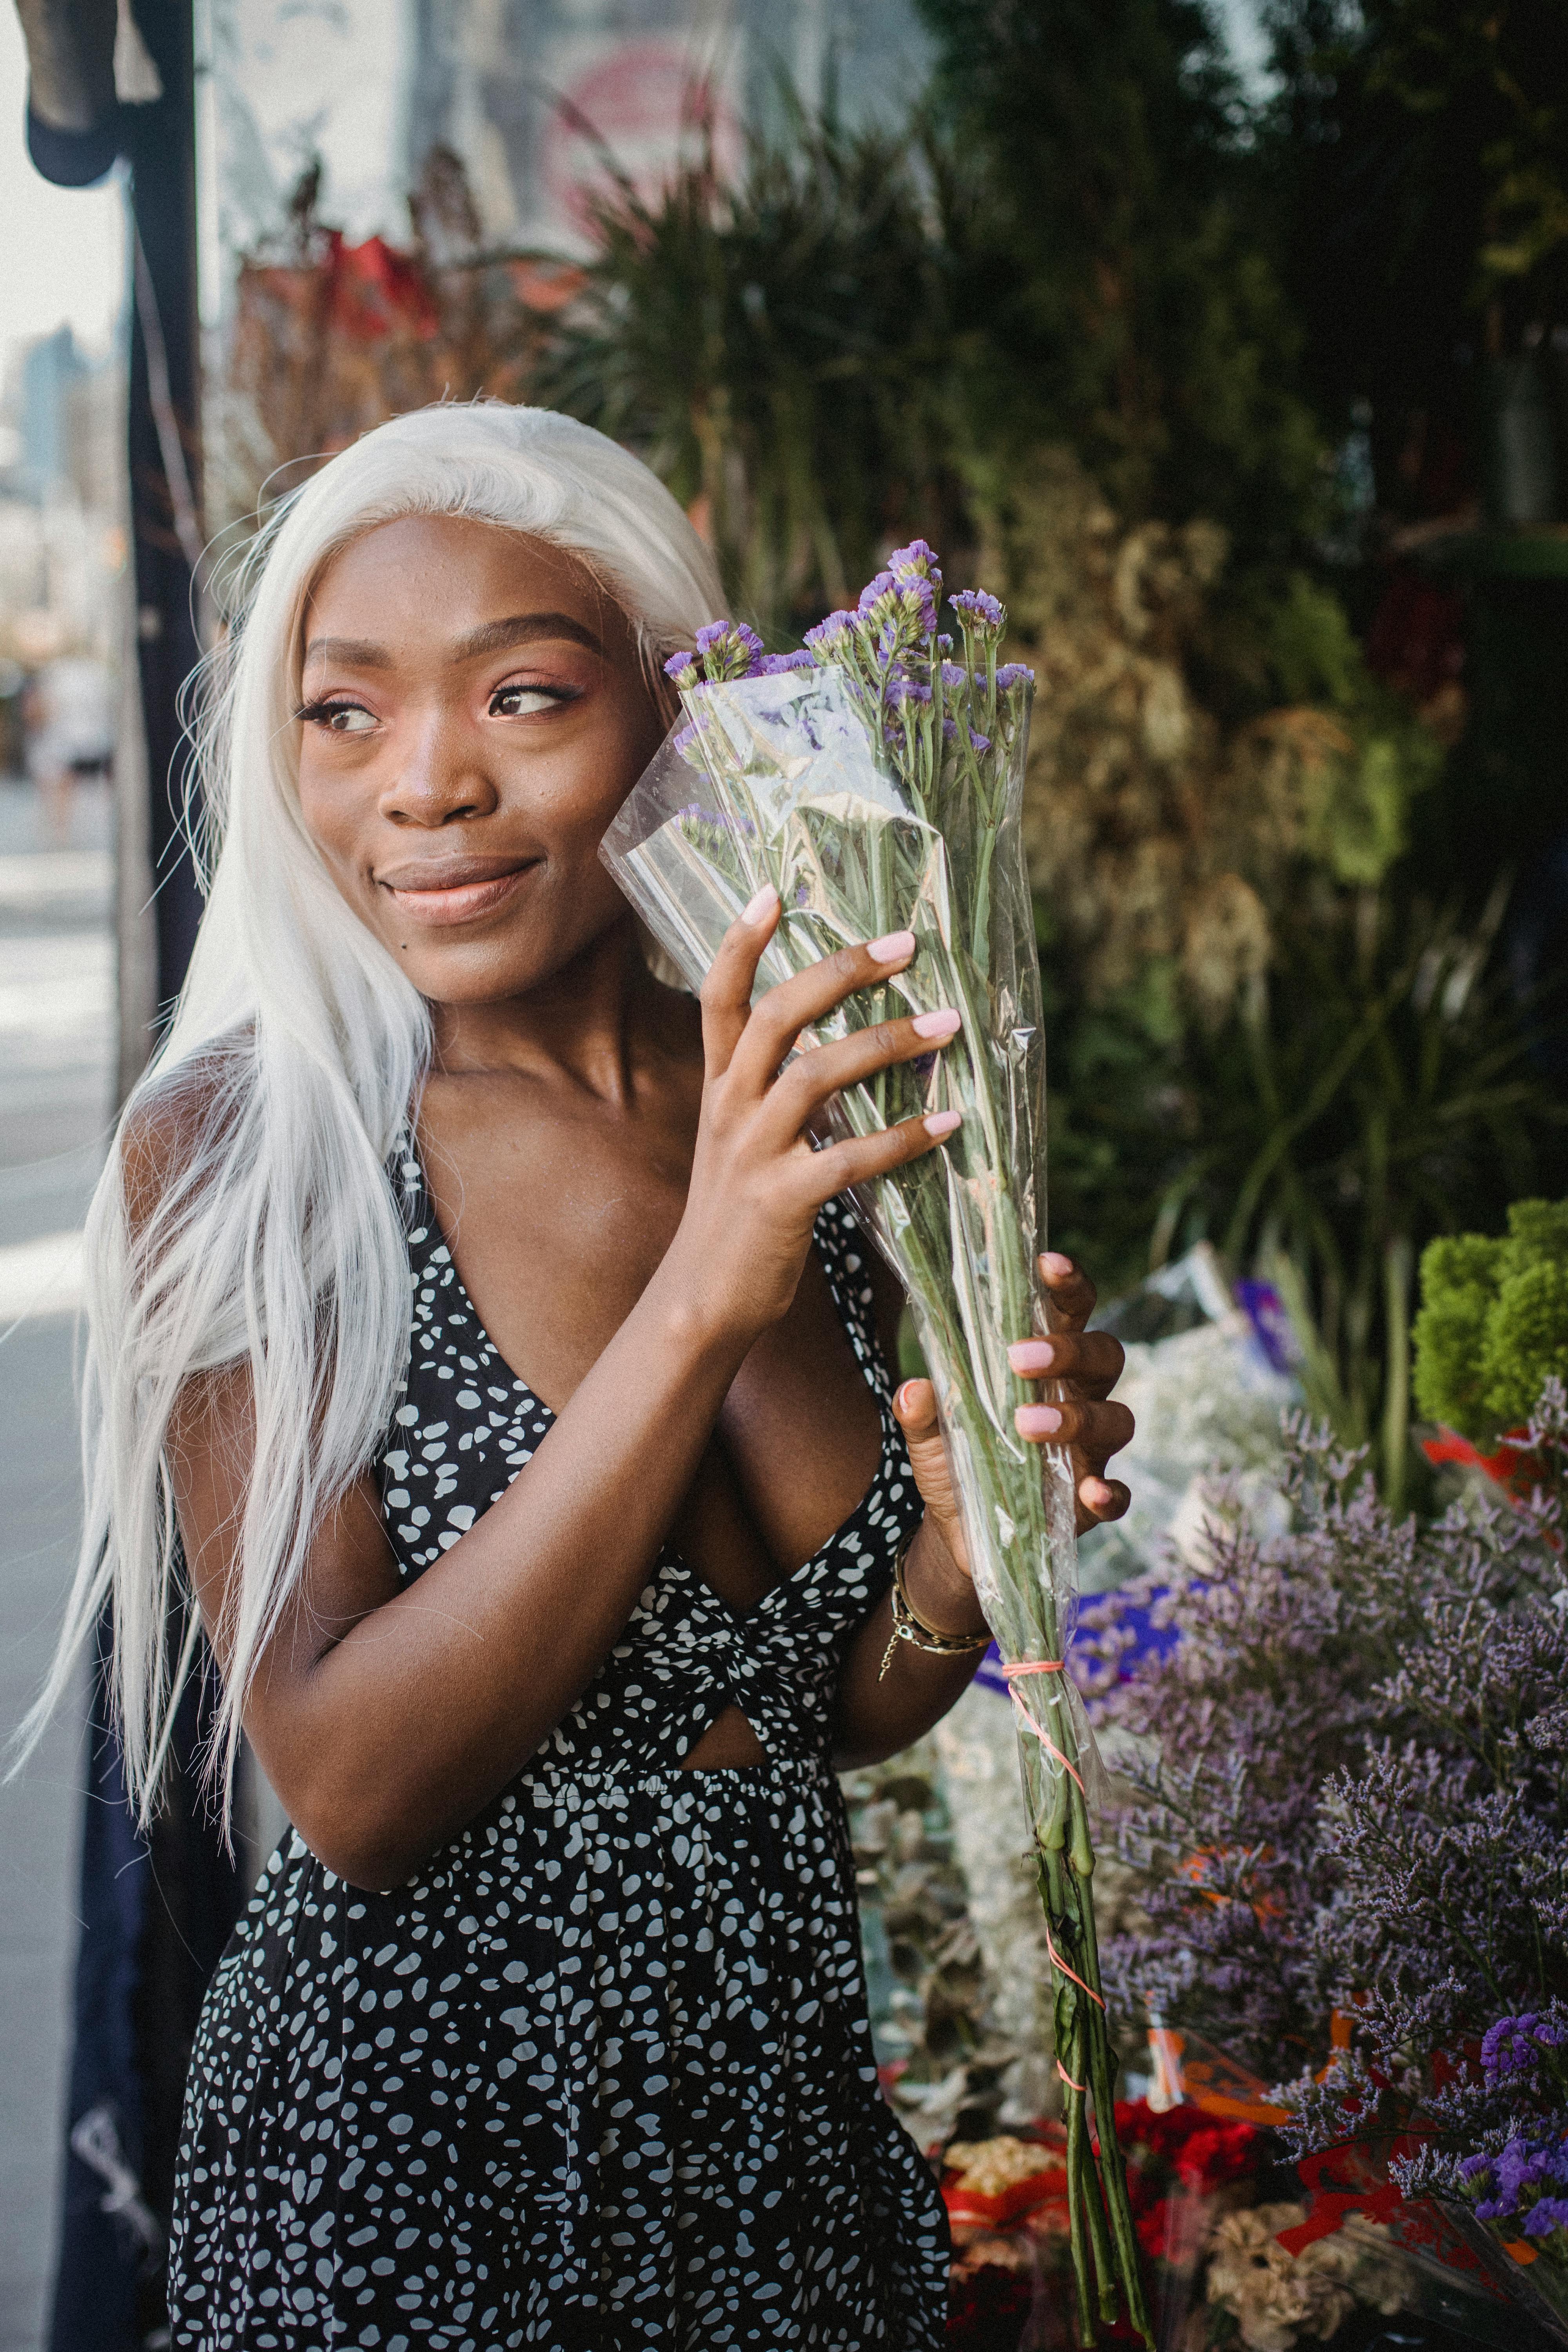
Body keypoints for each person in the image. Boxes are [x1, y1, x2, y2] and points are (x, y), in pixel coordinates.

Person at [23, 401, 1134, 2350]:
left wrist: (964, 1551)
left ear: (669, 717)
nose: (424, 786)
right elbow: (354, 1783)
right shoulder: (250, 1151)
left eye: (522, 697)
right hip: (413, 2178)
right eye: (343, 713)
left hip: (778, 2134)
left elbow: (812, 1716)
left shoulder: (805, 1081)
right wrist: (706, 1286)